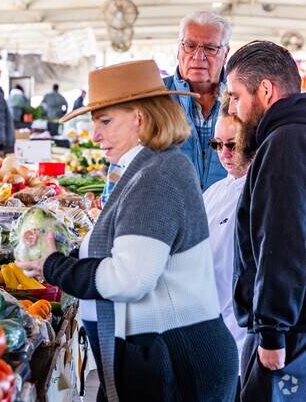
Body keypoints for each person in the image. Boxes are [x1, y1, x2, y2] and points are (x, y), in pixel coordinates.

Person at [16, 60, 238, 401]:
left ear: (140, 117)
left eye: (105, 121)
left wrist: (54, 266)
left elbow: (128, 279)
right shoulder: (147, 166)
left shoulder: (157, 176)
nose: (95, 136)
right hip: (161, 360)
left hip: (176, 366)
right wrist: (58, 250)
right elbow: (126, 246)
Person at [226, 40, 306, 401]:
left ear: (266, 90)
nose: (233, 109)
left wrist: (271, 331)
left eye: (236, 96)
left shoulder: (285, 141)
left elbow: (282, 242)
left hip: (289, 332)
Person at [202, 102, 253, 362]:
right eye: (217, 144)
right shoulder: (213, 193)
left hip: (243, 338)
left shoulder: (260, 195)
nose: (223, 153)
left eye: (232, 144)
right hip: (210, 332)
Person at [164, 11, 231, 191]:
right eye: (190, 45)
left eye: (210, 48)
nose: (198, 56)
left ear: (225, 54)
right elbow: (126, 159)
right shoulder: (156, 99)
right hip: (171, 215)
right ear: (178, 49)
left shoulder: (240, 100)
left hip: (228, 216)